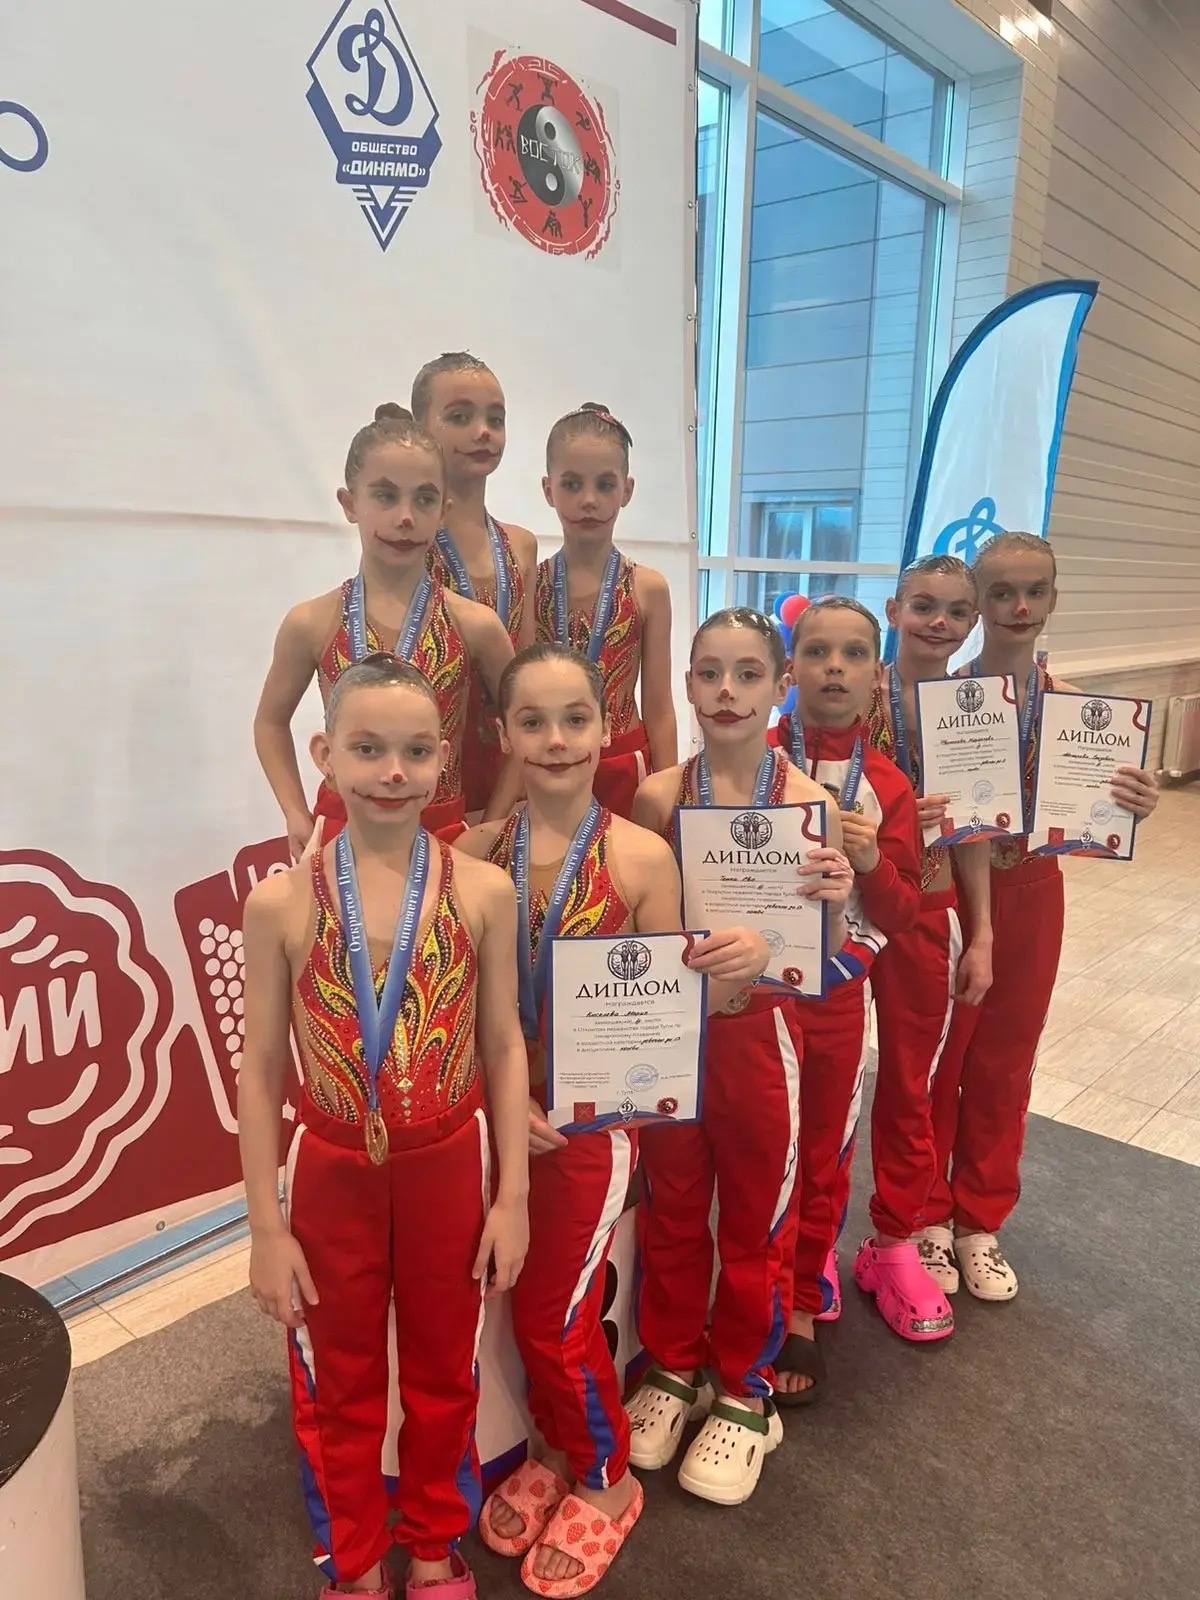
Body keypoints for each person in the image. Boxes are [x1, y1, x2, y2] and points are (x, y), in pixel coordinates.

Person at [456, 642, 769, 1595]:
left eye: (576, 719)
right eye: (533, 721)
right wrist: (498, 1095)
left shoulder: (639, 855)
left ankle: (606, 1476)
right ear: (503, 734)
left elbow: (673, 1016)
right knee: (514, 1306)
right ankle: (557, 1445)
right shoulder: (471, 856)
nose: (556, 740)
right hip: (498, 1115)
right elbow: (454, 1004)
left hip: (591, 1130)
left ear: (605, 728)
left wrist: (744, 962)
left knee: (553, 1314)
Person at [238, 653, 531, 1600]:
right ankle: (356, 1559)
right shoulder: (280, 904)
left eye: (415, 751)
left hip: (449, 1158)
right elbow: (260, 1072)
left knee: (446, 1368)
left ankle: (435, 1544)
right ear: (324, 754)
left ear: (444, 759)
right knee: (339, 1377)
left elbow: (503, 1046)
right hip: (330, 1169)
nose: (392, 772)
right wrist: (265, 1227)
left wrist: (513, 1197)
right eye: (367, 749)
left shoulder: (482, 892)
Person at [624, 608, 855, 1507]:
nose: (726, 692)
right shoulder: (657, 796)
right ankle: (673, 1363)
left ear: (780, 686)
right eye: (709, 672)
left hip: (765, 1033)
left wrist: (833, 899)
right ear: (686, 682)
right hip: (678, 1031)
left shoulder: (810, 802)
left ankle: (745, 1388)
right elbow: (642, 922)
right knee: (676, 1202)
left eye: (748, 673)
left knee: (758, 1213)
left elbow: (825, 952)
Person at [925, 532, 1159, 1298]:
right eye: (1001, 592)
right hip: (953, 893)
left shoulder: (1085, 714)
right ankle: (926, 1215)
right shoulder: (943, 701)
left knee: (1006, 1060)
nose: (1019, 607)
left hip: (1034, 890)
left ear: (1055, 598)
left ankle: (978, 1220)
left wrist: (1131, 803)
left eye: (1034, 591)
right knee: (940, 1060)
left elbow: (1095, 812)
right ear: (977, 603)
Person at [766, 596, 923, 1401]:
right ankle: (743, 1284)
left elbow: (904, 911)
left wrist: (871, 863)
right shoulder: (748, 760)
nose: (833, 667)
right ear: (789, 669)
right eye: (817, 652)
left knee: (823, 1149)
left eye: (853, 654)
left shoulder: (888, 784)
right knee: (754, 1150)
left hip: (834, 995)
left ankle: (799, 1298)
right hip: (753, 997)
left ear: (875, 674)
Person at [253, 404, 522, 860]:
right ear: (349, 503)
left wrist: (493, 822)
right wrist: (294, 812)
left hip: (445, 836)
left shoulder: (475, 625)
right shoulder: (311, 622)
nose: (405, 516)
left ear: (444, 510)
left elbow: (523, 724)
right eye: (385, 496)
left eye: (424, 499)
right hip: (343, 834)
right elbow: (270, 721)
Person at [841, 555, 995, 1344]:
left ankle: (896, 1236)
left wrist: (983, 931)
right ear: (894, 608)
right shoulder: (846, 690)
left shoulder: (973, 711)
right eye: (924, 605)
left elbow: (977, 831)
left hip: (928, 908)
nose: (939, 622)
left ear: (973, 622)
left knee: (910, 1081)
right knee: (831, 1083)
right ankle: (807, 1242)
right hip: (839, 908)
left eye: (956, 611)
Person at [412, 352, 539, 817]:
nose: (482, 431)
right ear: (419, 427)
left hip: (509, 764)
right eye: (460, 417)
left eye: (495, 419)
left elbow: (527, 679)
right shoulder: (407, 543)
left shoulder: (521, 546)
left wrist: (503, 810)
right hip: (424, 769)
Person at [535, 403, 676, 818]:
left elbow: (659, 707)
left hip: (623, 765)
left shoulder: (648, 588)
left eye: (605, 484)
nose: (589, 500)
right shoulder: (530, 585)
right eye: (572, 484)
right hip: (548, 760)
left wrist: (670, 794)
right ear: (548, 489)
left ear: (626, 490)